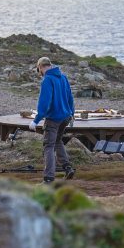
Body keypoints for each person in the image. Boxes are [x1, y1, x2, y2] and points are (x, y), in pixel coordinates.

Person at [29, 56, 76, 184]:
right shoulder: (63, 77)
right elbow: (70, 98)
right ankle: (68, 168)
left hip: (53, 119)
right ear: (50, 65)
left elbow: (45, 104)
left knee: (48, 146)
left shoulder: (47, 80)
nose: (40, 73)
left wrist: (36, 120)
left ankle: (48, 178)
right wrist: (72, 113)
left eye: (39, 70)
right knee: (57, 141)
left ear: (40, 67)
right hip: (66, 117)